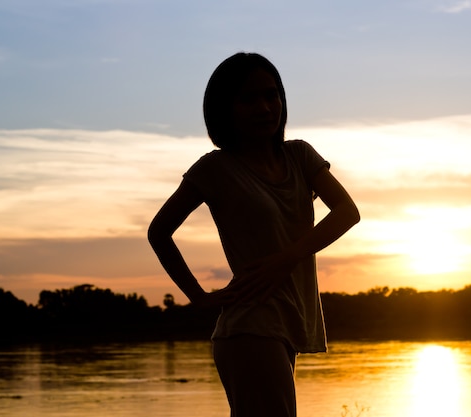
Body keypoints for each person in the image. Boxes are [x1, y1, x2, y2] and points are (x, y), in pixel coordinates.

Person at [148, 52, 360, 417]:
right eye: (248, 99)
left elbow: (347, 212)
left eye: (271, 94)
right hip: (250, 329)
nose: (265, 107)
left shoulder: (300, 157)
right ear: (224, 108)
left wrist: (286, 259)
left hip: (287, 324)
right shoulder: (215, 168)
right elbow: (159, 232)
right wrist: (198, 297)